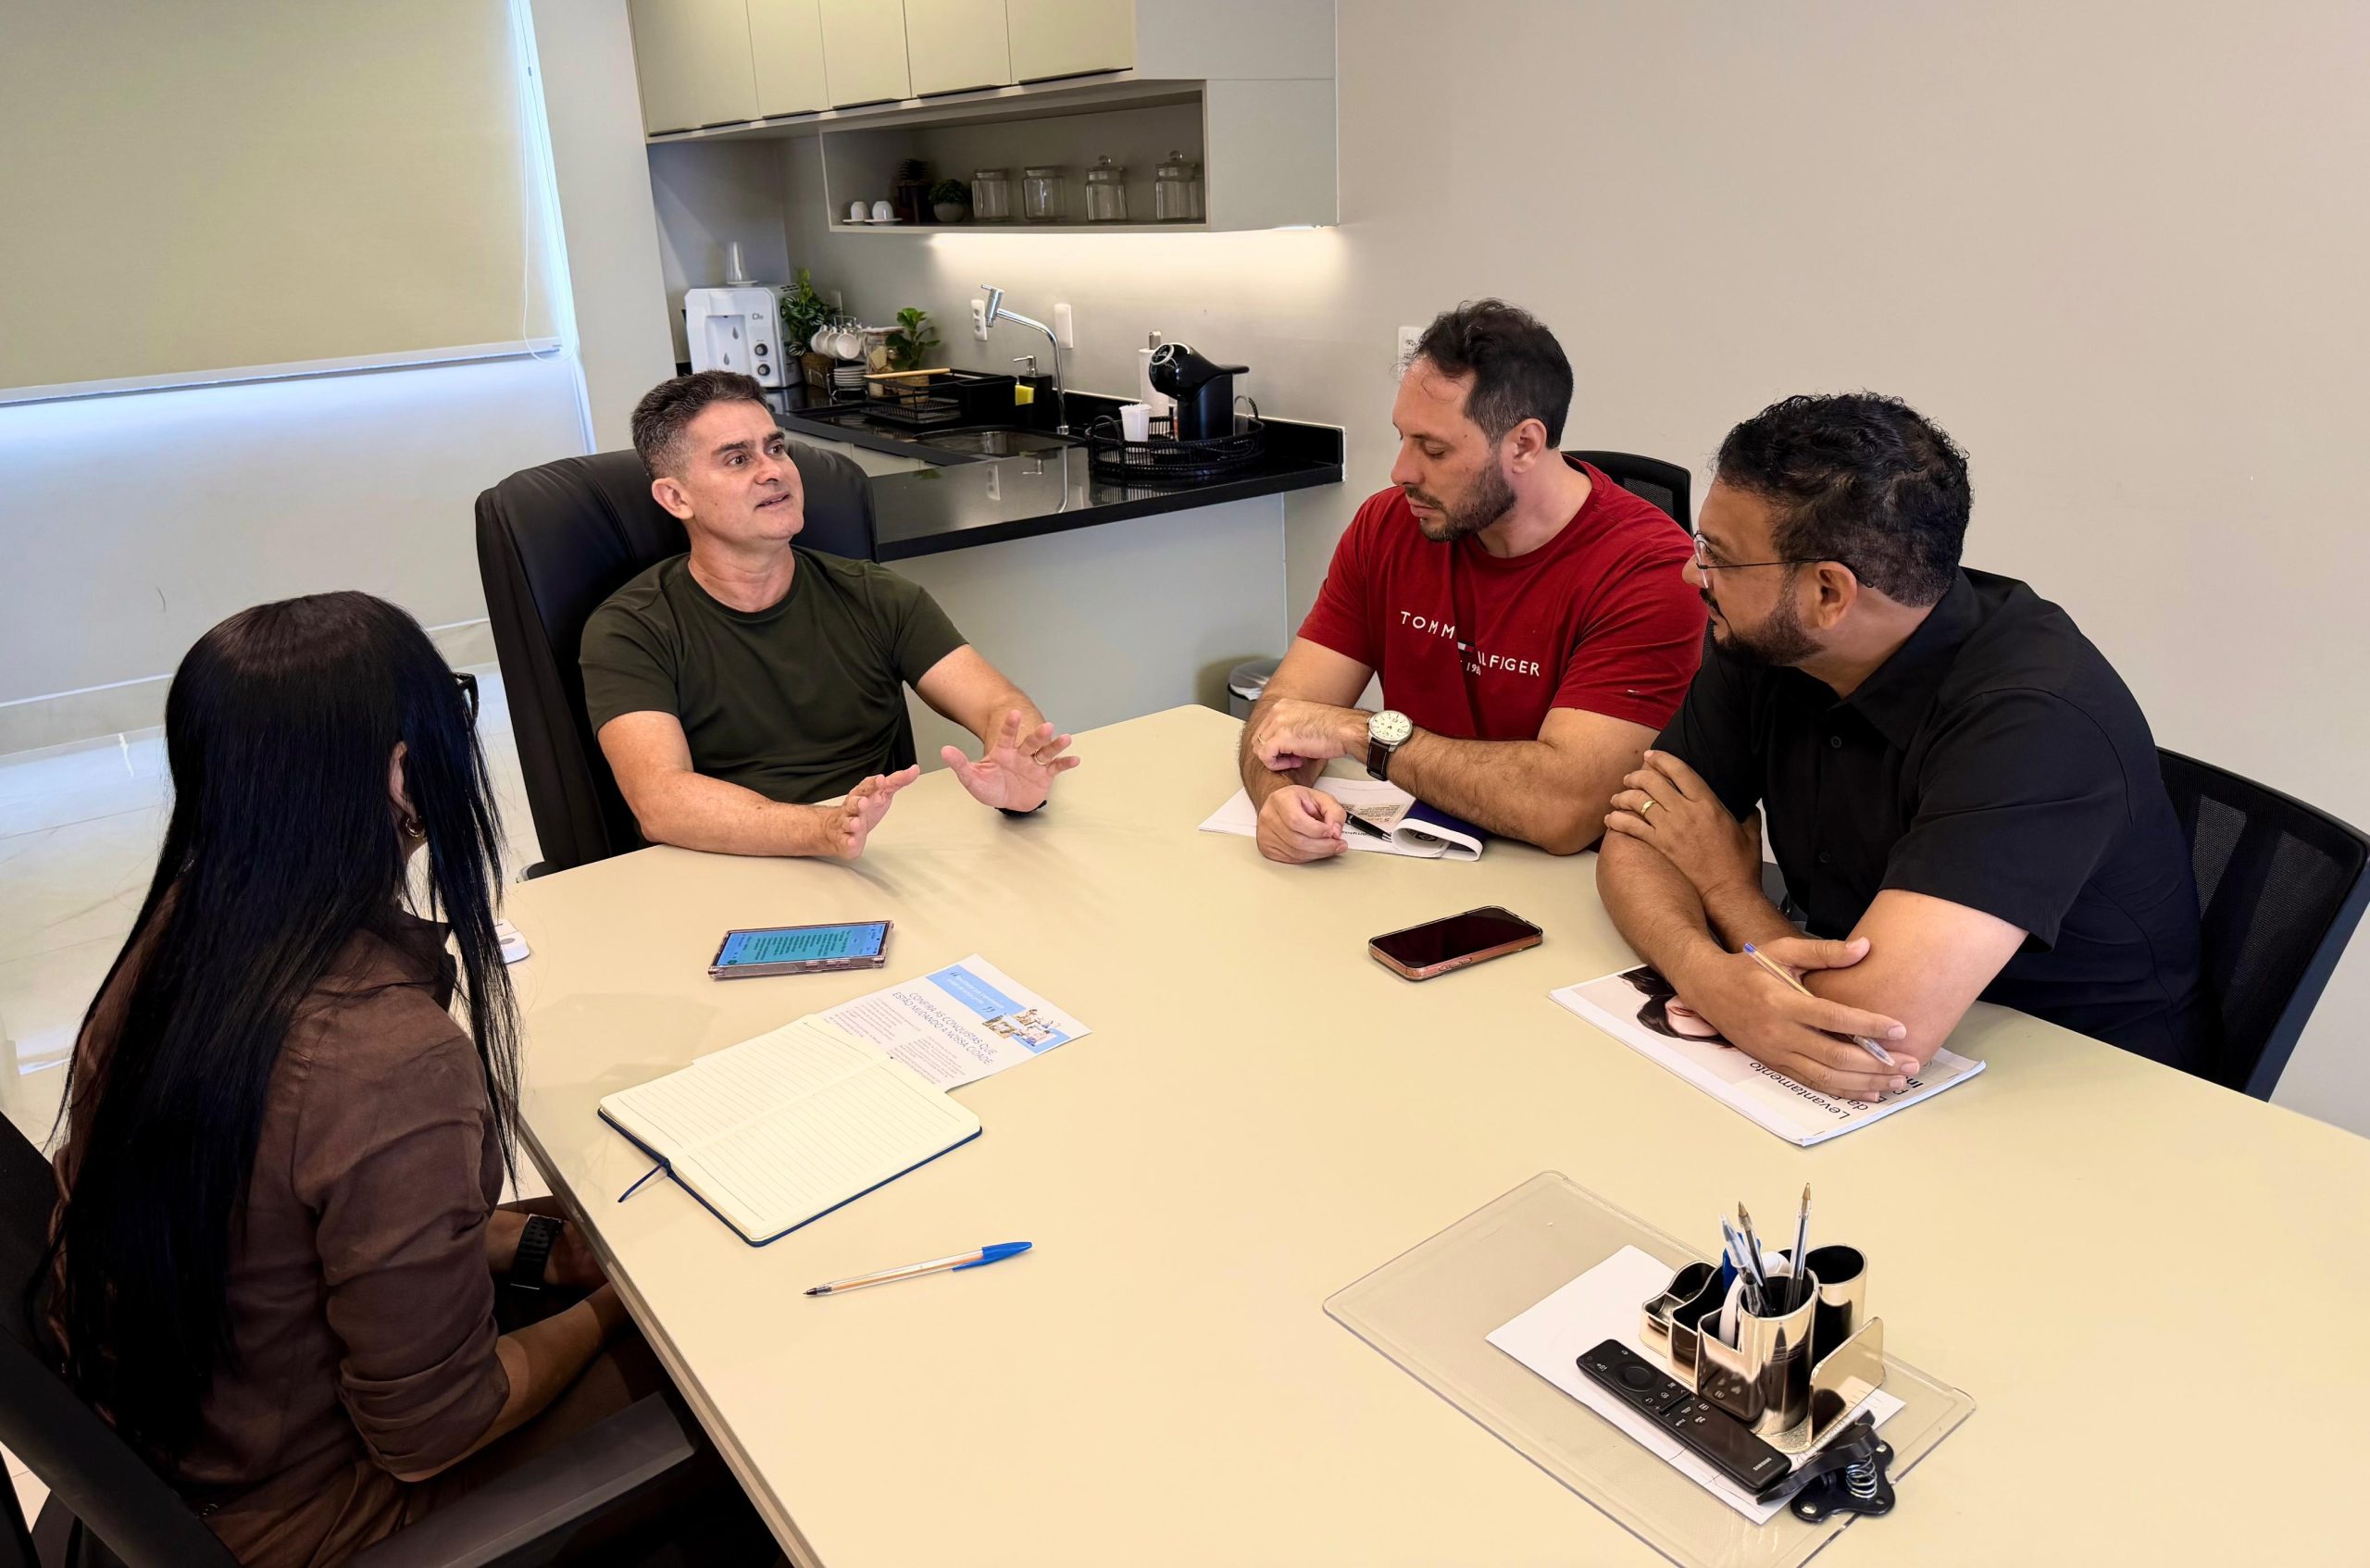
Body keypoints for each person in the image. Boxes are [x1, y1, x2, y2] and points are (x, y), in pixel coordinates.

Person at [43, 593, 767, 1567]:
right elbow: (433, 1430)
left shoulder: (180, 938)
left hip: (188, 1444)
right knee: (750, 1364)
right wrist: (627, 1301)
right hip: (321, 1512)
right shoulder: (384, 1055)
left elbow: (286, 1228)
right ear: (399, 774)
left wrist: (531, 1244)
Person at [1596, 393, 2213, 1101]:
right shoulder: (1767, 637)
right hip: (1893, 1058)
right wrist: (1705, 973)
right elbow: (1637, 836)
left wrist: (1725, 890)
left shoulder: (2033, 722)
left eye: (1718, 557)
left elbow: (1867, 1033)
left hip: (2083, 1092)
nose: (1691, 573)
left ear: (1829, 593)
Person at [1236, 300, 1705, 862]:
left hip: (1570, 882)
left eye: (1434, 449)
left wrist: (1364, 734)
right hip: (1419, 853)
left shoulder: (1650, 570)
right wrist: (1279, 797)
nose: (1401, 472)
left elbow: (1563, 811)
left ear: (1524, 445)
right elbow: (1284, 713)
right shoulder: (1387, 526)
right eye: (1403, 438)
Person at [583, 371, 1078, 860]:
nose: (772, 471)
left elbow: (998, 704)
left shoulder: (876, 595)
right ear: (676, 498)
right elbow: (661, 801)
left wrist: (1022, 775)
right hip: (724, 865)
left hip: (877, 856)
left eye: (776, 448)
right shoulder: (631, 629)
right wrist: (821, 829)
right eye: (737, 459)